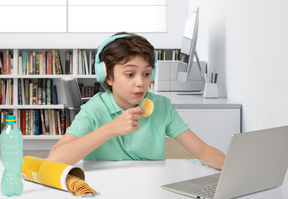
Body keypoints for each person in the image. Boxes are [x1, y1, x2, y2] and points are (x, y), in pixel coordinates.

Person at [47, 32, 225, 169]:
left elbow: (202, 150)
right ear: (108, 77)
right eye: (130, 74)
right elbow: (54, 160)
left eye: (147, 74)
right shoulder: (93, 110)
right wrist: (110, 129)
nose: (141, 82)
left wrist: (233, 168)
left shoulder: (162, 106)